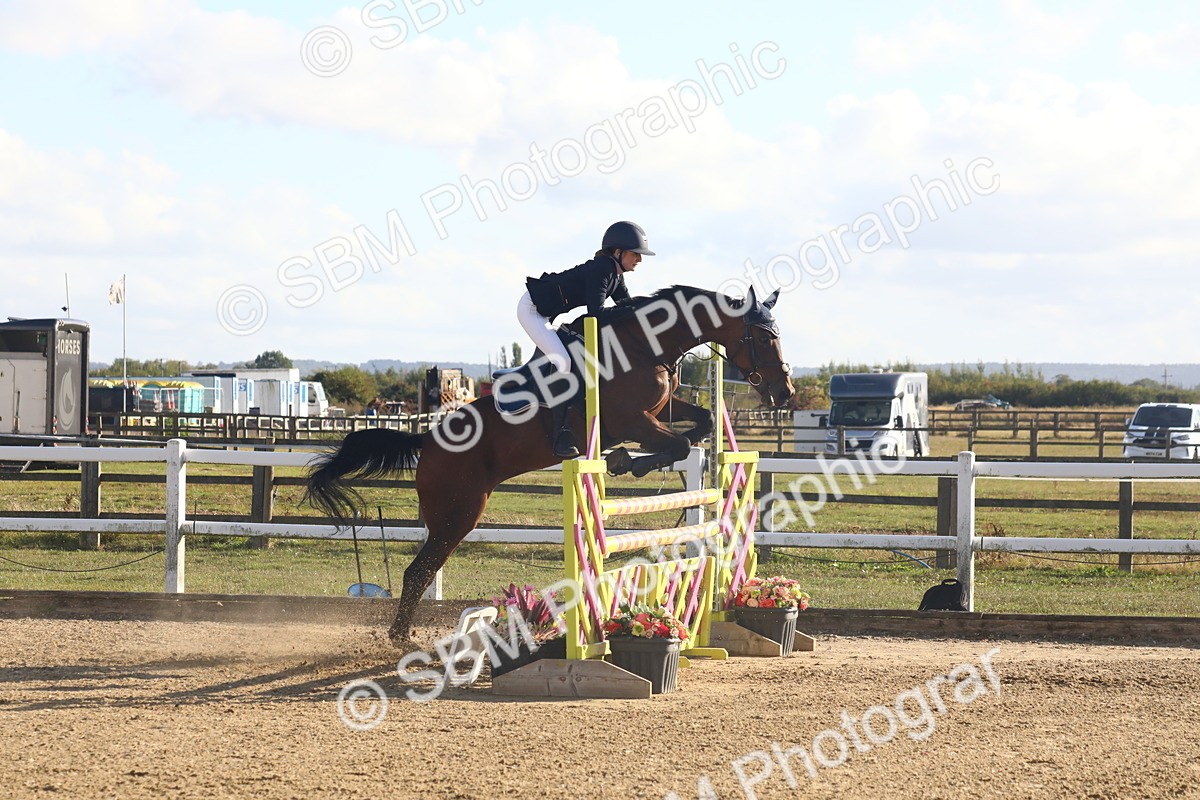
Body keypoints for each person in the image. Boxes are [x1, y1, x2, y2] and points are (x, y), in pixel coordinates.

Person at [518, 220, 656, 458]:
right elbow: (597, 314)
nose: (639, 260)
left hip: (548, 313)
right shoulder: (601, 269)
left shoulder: (615, 275)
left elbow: (626, 307)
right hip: (532, 310)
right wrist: (636, 308)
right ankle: (561, 432)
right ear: (617, 252)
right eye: (635, 254)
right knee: (564, 361)